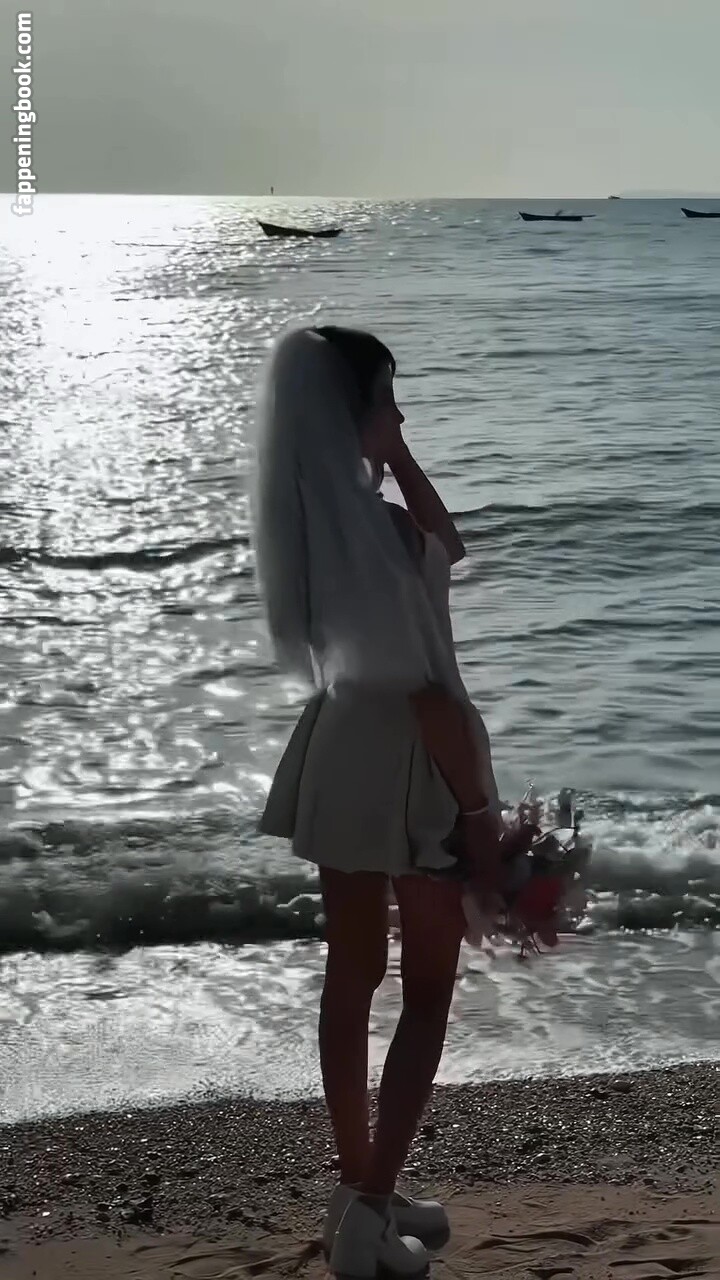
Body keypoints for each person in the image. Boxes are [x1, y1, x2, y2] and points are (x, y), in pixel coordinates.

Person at [253, 325, 502, 1277]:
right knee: (428, 991)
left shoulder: (304, 529)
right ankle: (366, 1211)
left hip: (339, 743)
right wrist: (478, 816)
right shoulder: (390, 532)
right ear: (354, 415)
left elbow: (439, 551)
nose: (400, 417)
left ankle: (362, 1185)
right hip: (418, 755)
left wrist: (384, 450)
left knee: (350, 977)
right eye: (388, 401)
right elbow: (449, 553)